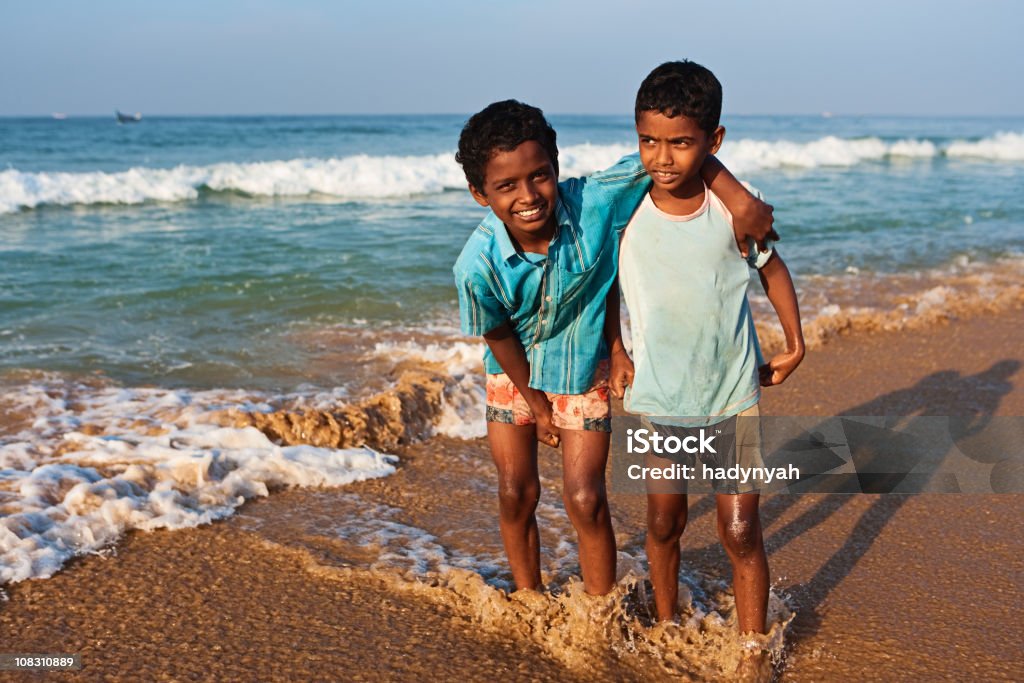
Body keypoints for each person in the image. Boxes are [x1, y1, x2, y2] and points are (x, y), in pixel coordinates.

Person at [452, 99, 776, 596]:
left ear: (557, 168)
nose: (529, 195)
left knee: (585, 497)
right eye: (506, 186)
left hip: (582, 370)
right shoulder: (477, 264)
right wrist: (536, 404)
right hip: (511, 373)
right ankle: (529, 596)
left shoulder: (594, 202)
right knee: (517, 492)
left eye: (540, 176)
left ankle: (600, 608)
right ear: (480, 193)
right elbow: (497, 334)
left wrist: (739, 199)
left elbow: (674, 150)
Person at [613, 61, 805, 678]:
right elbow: (600, 290)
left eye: (681, 142)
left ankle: (752, 649)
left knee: (742, 529)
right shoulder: (623, 212)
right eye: (649, 140)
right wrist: (614, 354)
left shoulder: (731, 214)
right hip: (659, 395)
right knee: (665, 519)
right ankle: (668, 625)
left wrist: (795, 341)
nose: (662, 158)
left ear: (713, 141)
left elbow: (773, 269)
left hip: (731, 391)